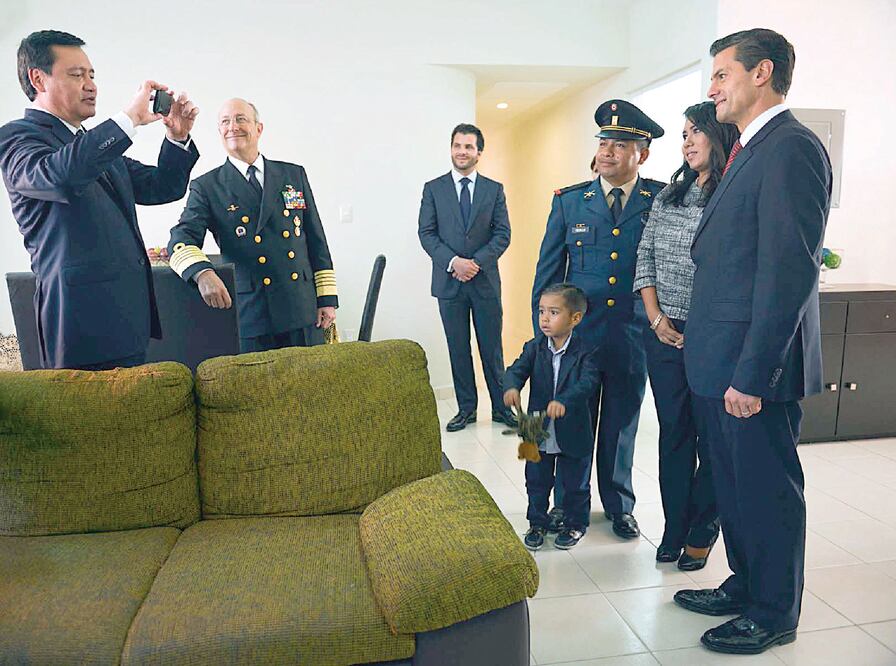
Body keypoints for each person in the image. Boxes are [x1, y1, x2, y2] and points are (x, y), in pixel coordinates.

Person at [673, 29, 831, 655]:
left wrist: (753, 374)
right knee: (734, 488)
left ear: (761, 72)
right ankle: (746, 584)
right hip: (721, 361)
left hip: (751, 368)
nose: (712, 88)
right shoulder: (747, 149)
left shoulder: (791, 148)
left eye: (721, 74)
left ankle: (773, 611)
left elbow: (788, 271)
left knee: (766, 491)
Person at [0, 30, 199, 370]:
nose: (91, 86)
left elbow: (162, 187)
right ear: (38, 79)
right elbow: (60, 177)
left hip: (129, 322)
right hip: (80, 328)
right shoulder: (17, 137)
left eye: (92, 75)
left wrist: (177, 137)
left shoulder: (95, 145)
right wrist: (128, 119)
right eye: (77, 75)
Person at [531, 100, 665, 539]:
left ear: (642, 154)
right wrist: (545, 341)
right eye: (604, 142)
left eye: (620, 144)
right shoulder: (571, 203)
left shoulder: (659, 201)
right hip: (579, 339)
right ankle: (568, 505)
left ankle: (619, 506)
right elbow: (548, 276)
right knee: (573, 422)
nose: (608, 151)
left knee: (622, 423)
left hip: (632, 333)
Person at [633, 101, 739, 571]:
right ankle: (674, 527)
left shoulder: (732, 193)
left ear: (720, 135)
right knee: (674, 433)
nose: (688, 141)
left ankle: (702, 527)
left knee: (711, 438)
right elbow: (645, 258)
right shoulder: (669, 195)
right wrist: (656, 319)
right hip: (663, 333)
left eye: (697, 132)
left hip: (712, 336)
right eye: (684, 134)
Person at [161, 98, 337, 351]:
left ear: (259, 128)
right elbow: (182, 238)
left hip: (302, 308)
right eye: (225, 122)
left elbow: (316, 239)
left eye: (240, 119)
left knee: (309, 377)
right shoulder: (207, 186)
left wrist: (327, 298)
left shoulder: (292, 174)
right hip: (253, 314)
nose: (233, 127)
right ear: (219, 131)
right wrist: (202, 273)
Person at [418, 123, 516, 432]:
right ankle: (466, 410)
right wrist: (454, 263)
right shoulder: (433, 189)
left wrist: (475, 263)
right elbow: (426, 233)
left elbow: (503, 234)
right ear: (451, 149)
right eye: (457, 145)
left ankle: (501, 409)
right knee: (458, 349)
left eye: (469, 146)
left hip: (484, 282)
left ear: (479, 152)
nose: (462, 151)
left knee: (492, 348)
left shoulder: (493, 189)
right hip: (449, 284)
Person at [504, 283, 600, 551]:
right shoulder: (534, 347)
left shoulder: (587, 350)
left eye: (554, 312)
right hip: (536, 427)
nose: (545, 318)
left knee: (575, 483)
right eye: (541, 311)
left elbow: (588, 382)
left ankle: (575, 524)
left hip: (573, 428)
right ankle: (537, 522)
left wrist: (564, 401)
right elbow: (516, 370)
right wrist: (512, 387)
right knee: (536, 479)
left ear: (575, 318)